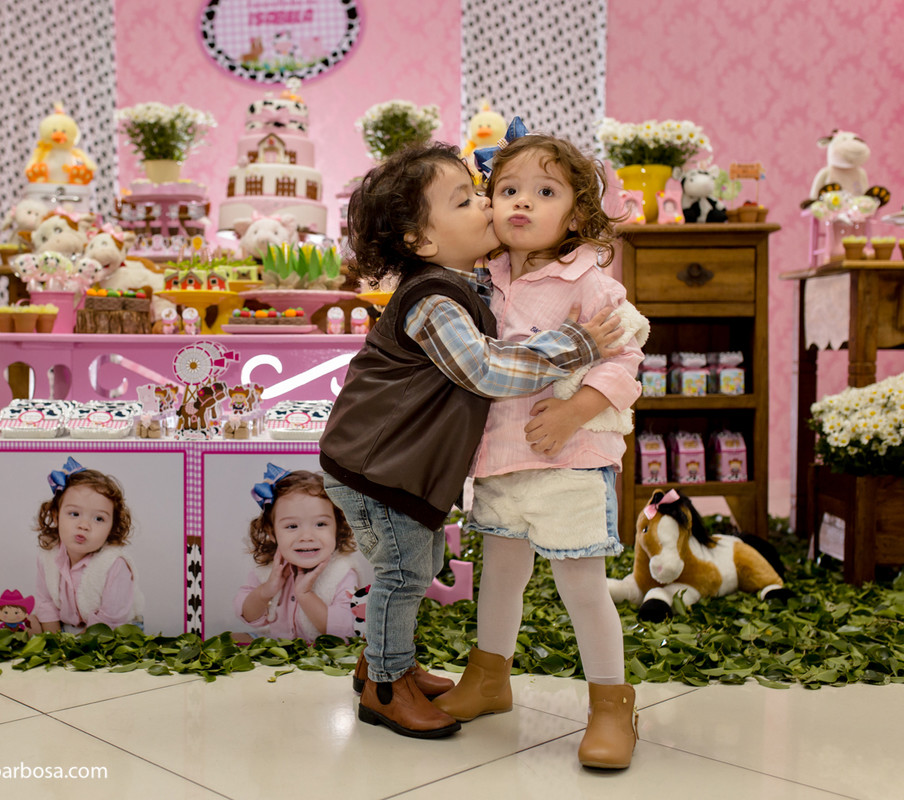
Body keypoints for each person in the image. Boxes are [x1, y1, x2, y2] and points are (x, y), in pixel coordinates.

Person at [319, 142, 626, 739]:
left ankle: (388, 661)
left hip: (412, 464)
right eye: (472, 199)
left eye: (481, 191)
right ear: (424, 242)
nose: (490, 205)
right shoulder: (437, 297)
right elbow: (486, 371)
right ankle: (384, 686)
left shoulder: (492, 279)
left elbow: (623, 351)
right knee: (406, 572)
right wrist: (576, 345)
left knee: (421, 560)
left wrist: (582, 400)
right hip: (376, 465)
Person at [432, 131, 644, 769]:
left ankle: (611, 701)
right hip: (500, 457)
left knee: (581, 584)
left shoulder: (590, 282)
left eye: (544, 192)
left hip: (571, 460)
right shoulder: (483, 279)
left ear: (576, 213)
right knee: (499, 575)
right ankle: (490, 678)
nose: (522, 203)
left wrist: (579, 409)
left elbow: (628, 355)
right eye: (508, 190)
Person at [234, 464, 370, 642]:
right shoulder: (269, 569)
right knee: (234, 638)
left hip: (321, 651)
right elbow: (247, 615)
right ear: (272, 531)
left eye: (320, 524)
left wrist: (305, 594)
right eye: (292, 526)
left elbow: (344, 631)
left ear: (337, 527)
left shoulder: (341, 572)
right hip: (279, 645)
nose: (307, 537)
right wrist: (266, 590)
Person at [31, 457, 144, 633]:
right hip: (68, 627)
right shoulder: (49, 555)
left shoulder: (114, 564)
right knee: (27, 622)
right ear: (55, 516)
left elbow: (109, 620)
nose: (84, 525)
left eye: (99, 518)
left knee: (113, 640)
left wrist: (75, 650)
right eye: (74, 514)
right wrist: (53, 641)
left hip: (110, 631)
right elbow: (46, 602)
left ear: (111, 527)